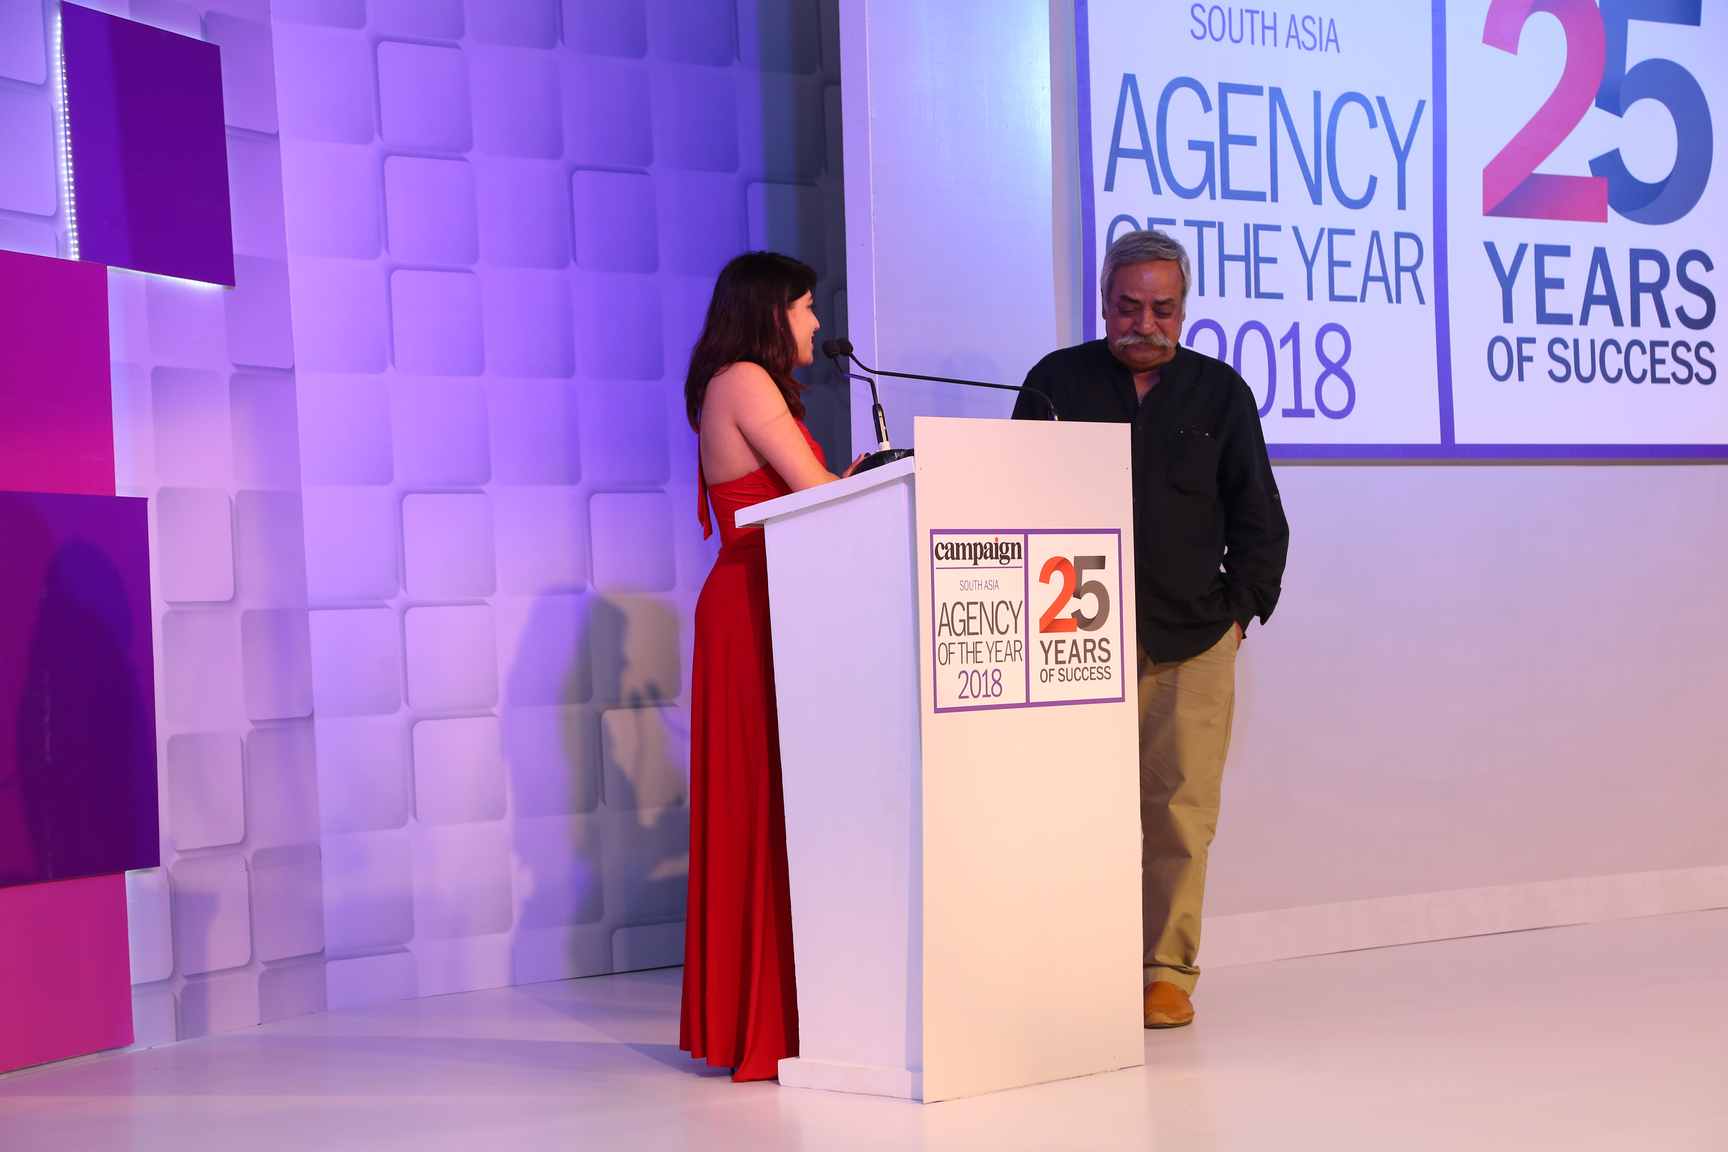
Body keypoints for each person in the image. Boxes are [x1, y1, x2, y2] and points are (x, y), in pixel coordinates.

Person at [1013, 229, 1289, 1029]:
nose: (1145, 324)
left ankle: (1165, 972)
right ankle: (1075, 965)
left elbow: (1260, 517)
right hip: (1071, 639)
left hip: (1194, 638)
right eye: (1128, 307)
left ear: (1184, 308)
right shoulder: (1055, 383)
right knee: (1072, 810)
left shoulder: (1220, 393)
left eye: (1162, 309)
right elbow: (1008, 497)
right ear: (1104, 303)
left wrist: (1239, 614)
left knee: (1180, 813)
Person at [679, 251, 862, 1081]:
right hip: (754, 605)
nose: (816, 322)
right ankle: (768, 1016)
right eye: (806, 305)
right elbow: (812, 488)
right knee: (762, 801)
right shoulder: (746, 378)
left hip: (769, 597)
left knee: (774, 802)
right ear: (770, 310)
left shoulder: (738, 380)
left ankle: (775, 1010)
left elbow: (810, 493)